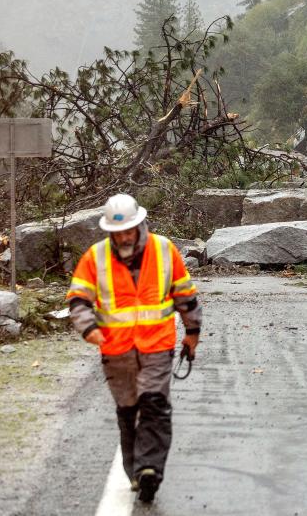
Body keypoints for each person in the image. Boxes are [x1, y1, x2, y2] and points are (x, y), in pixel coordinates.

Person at [66, 193, 201, 503]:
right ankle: (135, 472)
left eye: (129, 230)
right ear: (109, 232)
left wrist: (192, 332)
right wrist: (88, 328)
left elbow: (185, 294)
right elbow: (79, 299)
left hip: (157, 346)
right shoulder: (95, 257)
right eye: (118, 233)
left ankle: (149, 470)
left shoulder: (164, 250)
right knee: (128, 411)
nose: (124, 237)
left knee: (154, 406)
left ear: (140, 225)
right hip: (116, 351)